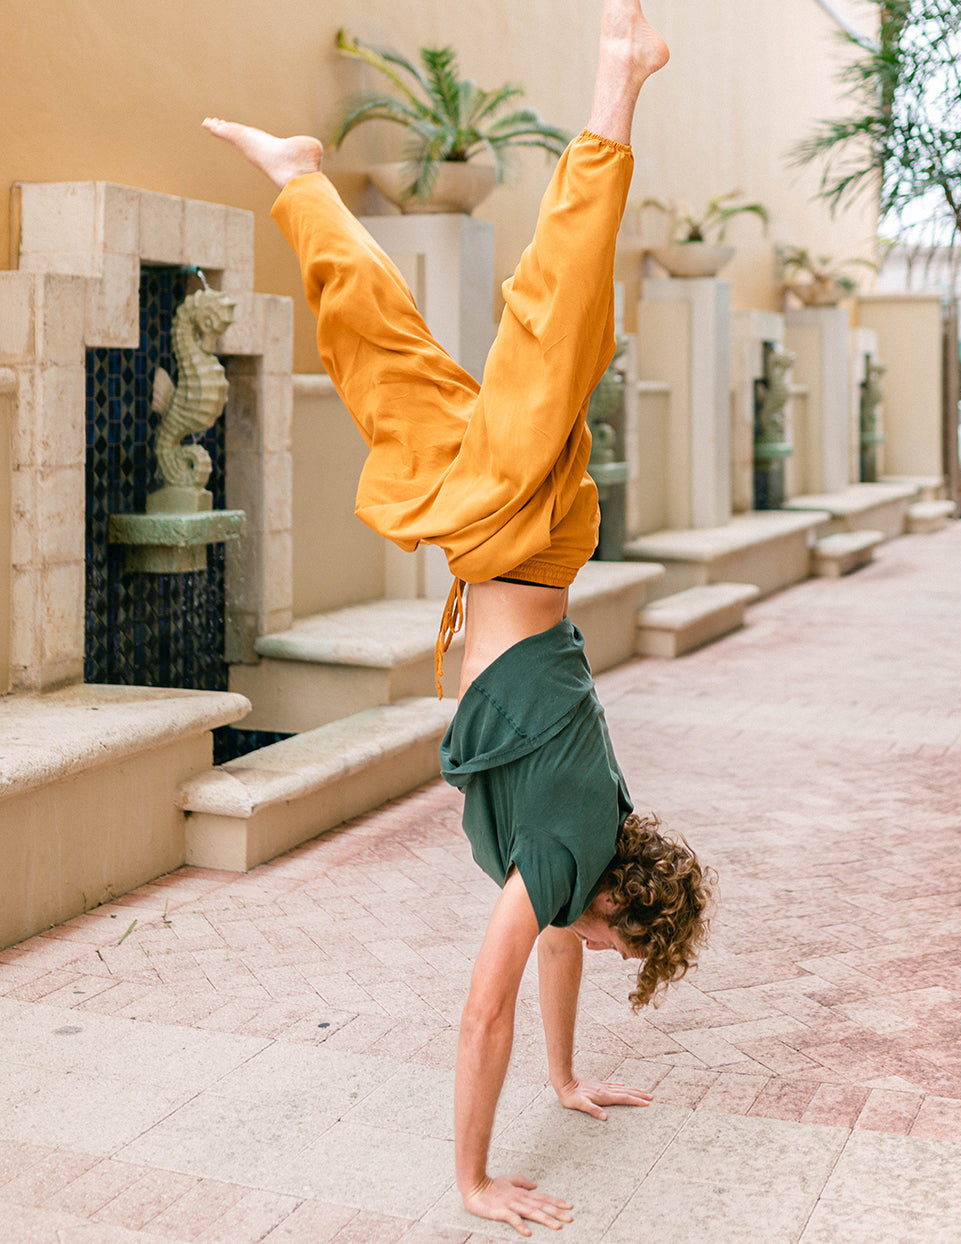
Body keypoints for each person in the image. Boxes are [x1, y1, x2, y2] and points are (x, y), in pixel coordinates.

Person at [204, 0, 713, 1233]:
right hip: (521, 532)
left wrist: (565, 1078)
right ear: (611, 908)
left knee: (388, 367)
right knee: (559, 317)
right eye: (613, 945)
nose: (587, 950)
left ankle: (300, 185)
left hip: (483, 527)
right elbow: (481, 1004)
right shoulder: (561, 856)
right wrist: (474, 1179)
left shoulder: (589, 846)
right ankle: (617, 80)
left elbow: (544, 958)